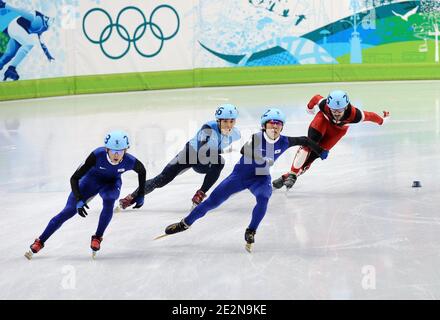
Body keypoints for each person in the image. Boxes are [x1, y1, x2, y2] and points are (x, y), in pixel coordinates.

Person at [160, 108, 329, 252]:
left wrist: (321, 151)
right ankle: (185, 223)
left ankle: (251, 231)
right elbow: (244, 149)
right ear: (264, 126)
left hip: (261, 179)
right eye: (271, 123)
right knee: (212, 201)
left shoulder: (285, 141)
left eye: (278, 124)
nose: (275, 127)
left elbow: (305, 140)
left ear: (282, 127)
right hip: (239, 176)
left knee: (264, 198)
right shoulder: (257, 137)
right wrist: (260, 157)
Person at [25, 130, 146, 259]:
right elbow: (74, 178)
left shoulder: (130, 161)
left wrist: (141, 194)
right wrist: (78, 199)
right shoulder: (96, 155)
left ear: (126, 150)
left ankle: (98, 237)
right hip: (90, 181)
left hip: (110, 183)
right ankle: (40, 241)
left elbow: (142, 171)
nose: (116, 155)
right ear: (106, 149)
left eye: (120, 151)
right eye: (113, 151)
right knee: (68, 211)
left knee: (109, 199)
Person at [119, 104, 241, 210]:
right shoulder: (208, 128)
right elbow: (203, 150)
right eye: (225, 121)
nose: (228, 125)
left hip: (203, 164)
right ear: (218, 120)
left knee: (220, 161)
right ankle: (131, 197)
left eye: (232, 121)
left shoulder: (236, 134)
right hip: (190, 154)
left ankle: (200, 193)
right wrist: (218, 151)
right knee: (161, 180)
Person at [272, 90, 390, 190]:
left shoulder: (356, 115)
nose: (336, 113)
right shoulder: (324, 105)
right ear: (329, 106)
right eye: (333, 110)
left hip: (337, 132)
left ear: (346, 106)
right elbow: (315, 98)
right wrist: (310, 108)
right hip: (322, 121)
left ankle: (286, 177)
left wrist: (383, 120)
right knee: (309, 145)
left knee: (314, 155)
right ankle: (293, 174)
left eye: (339, 110)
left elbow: (371, 116)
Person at [0, 0, 55, 81]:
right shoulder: (35, 17)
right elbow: (21, 11)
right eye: (50, 18)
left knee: (9, 55)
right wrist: (5, 5)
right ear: (45, 16)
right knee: (29, 43)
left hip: (18, 31)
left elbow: (41, 41)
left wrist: (48, 55)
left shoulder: (44, 26)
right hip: (15, 27)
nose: (51, 21)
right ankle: (11, 68)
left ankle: (6, 68)